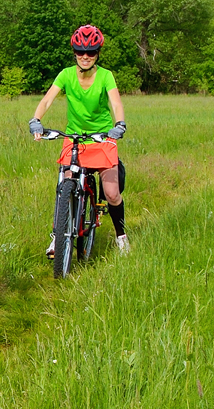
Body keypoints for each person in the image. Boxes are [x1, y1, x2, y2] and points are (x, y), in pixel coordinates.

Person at [29, 24, 130, 256]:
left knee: (112, 193)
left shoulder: (106, 76)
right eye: (81, 52)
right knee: (64, 183)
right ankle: (57, 237)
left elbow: (116, 103)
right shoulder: (66, 75)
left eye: (91, 52)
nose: (85, 57)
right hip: (74, 137)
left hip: (103, 137)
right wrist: (35, 120)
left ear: (97, 54)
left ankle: (121, 236)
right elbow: (46, 100)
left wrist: (119, 125)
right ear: (74, 52)